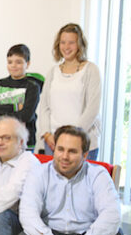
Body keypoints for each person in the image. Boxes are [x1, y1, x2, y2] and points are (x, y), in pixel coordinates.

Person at [37, 23, 102, 160]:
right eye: (63, 42)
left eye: (71, 43)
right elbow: (44, 107)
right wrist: (47, 134)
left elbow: (92, 109)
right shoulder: (53, 72)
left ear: (79, 44)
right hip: (53, 143)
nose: (66, 47)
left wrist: (71, 137)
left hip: (82, 143)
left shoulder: (91, 70)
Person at [0, 44, 41, 151]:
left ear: (27, 64)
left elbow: (26, 115)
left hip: (25, 142)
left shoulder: (33, 86)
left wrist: (1, 111)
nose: (14, 65)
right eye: (10, 62)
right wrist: (14, 106)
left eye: (19, 62)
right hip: (1, 140)